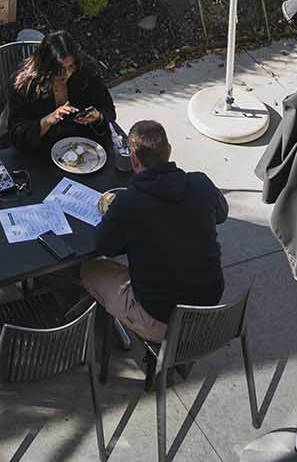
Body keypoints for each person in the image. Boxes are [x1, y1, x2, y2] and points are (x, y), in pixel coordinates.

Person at [81, 118, 228, 343]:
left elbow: (103, 247)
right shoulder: (200, 183)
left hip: (162, 320)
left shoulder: (129, 202)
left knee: (89, 269)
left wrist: (113, 218)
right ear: (169, 150)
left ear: (133, 160)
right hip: (209, 307)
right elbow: (221, 214)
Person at [0, 31, 120, 152]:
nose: (65, 74)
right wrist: (47, 121)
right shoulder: (25, 84)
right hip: (37, 149)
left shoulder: (86, 72)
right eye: (58, 69)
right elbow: (17, 134)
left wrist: (97, 117)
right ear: (45, 65)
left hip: (76, 146)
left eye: (70, 67)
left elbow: (108, 110)